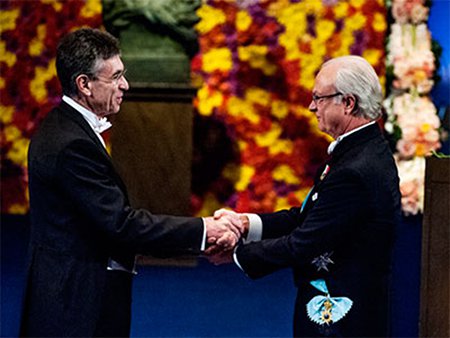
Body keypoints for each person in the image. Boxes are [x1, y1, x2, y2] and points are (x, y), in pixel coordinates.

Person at [20, 28, 243, 338]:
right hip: (75, 307)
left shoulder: (65, 129)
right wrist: (205, 230)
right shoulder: (71, 144)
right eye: (115, 77)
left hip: (76, 293)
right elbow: (122, 225)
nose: (125, 85)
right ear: (84, 84)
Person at [209, 55, 401, 337]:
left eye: (319, 98)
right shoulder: (360, 150)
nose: (312, 106)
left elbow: (303, 242)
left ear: (348, 103)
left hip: (341, 318)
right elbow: (308, 216)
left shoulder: (356, 168)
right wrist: (245, 224)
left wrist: (236, 254)